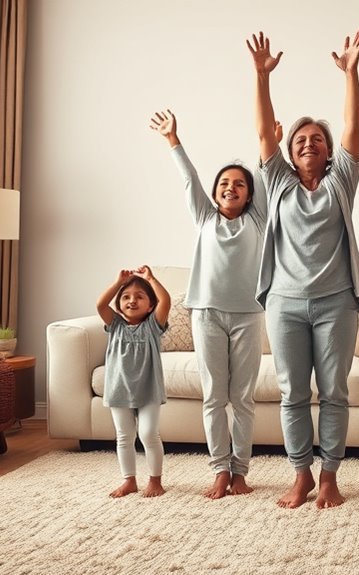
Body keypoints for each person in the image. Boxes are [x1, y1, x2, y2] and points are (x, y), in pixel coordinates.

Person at [246, 30, 359, 509]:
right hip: (284, 302)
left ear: (328, 150)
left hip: (337, 301)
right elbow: (263, 133)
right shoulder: (277, 181)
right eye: (300, 139)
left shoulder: (342, 179)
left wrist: (351, 73)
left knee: (334, 392)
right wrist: (261, 77)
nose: (308, 144)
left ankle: (331, 475)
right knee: (292, 393)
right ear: (289, 149)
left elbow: (353, 127)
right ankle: (300, 474)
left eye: (317, 139)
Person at [148, 110, 281, 499]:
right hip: (206, 314)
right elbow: (189, 179)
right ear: (215, 190)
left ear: (250, 194)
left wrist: (268, 145)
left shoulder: (258, 219)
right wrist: (174, 140)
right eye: (224, 183)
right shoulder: (204, 217)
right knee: (214, 396)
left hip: (247, 316)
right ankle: (220, 470)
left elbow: (266, 175)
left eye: (239, 184)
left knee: (241, 398)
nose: (231, 188)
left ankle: (240, 471)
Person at [96, 265, 171, 498]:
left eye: (139, 297)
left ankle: (155, 480)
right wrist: (118, 283)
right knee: (124, 436)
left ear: (150, 305)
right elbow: (100, 305)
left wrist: (151, 278)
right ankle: (129, 480)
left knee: (149, 434)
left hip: (149, 390)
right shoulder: (115, 324)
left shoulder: (152, 326)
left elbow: (165, 301)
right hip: (119, 390)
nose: (132, 301)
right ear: (119, 304)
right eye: (126, 297)